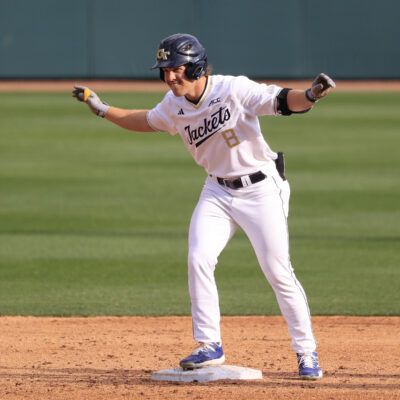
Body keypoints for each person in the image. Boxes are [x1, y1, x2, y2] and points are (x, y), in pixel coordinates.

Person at [72, 33, 335, 380]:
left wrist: (312, 94)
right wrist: (103, 109)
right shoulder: (172, 105)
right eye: (164, 70)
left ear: (195, 65)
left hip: (260, 189)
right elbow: (144, 120)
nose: (169, 77)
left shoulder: (232, 89)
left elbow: (284, 101)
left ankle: (306, 351)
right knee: (199, 258)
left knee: (277, 271)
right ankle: (209, 344)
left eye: (176, 69)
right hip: (217, 190)